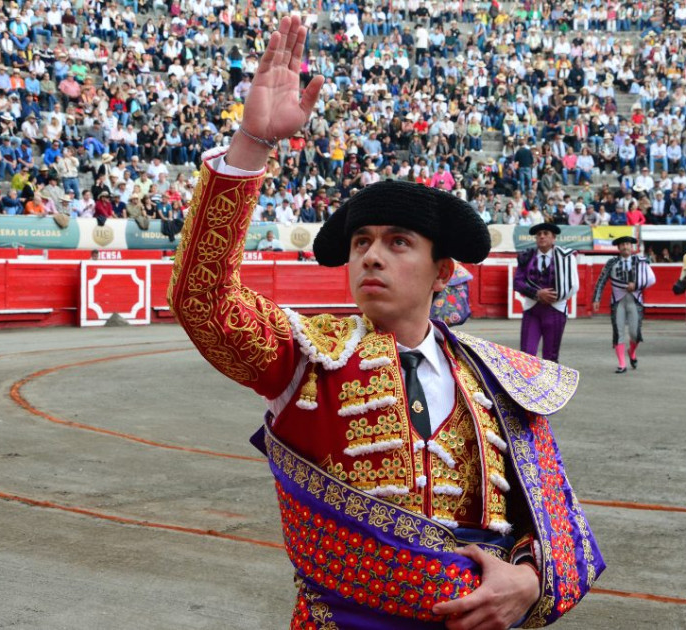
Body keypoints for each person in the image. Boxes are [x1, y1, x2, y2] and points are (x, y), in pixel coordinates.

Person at [168, 17, 603, 629]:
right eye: (361, 243)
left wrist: (528, 582)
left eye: (398, 242)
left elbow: (560, 526)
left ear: (441, 270)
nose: (370, 255)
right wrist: (251, 145)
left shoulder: (496, 379)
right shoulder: (306, 355)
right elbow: (202, 298)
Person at [513, 222, 579, 362]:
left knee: (551, 357)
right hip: (532, 309)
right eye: (539, 234)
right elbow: (517, 283)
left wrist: (555, 297)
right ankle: (529, 384)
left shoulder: (566, 256)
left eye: (546, 233)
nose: (542, 236)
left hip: (555, 309)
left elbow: (573, 285)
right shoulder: (526, 256)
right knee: (526, 354)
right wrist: (537, 294)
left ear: (553, 238)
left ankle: (548, 384)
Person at [592, 236, 657, 373]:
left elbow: (652, 279)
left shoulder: (640, 261)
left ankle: (631, 352)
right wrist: (596, 299)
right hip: (617, 301)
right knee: (618, 332)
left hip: (635, 300)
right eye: (622, 244)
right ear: (618, 247)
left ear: (631, 246)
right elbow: (601, 281)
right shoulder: (611, 263)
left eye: (627, 244)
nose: (625, 247)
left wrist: (637, 285)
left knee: (635, 333)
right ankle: (622, 364)